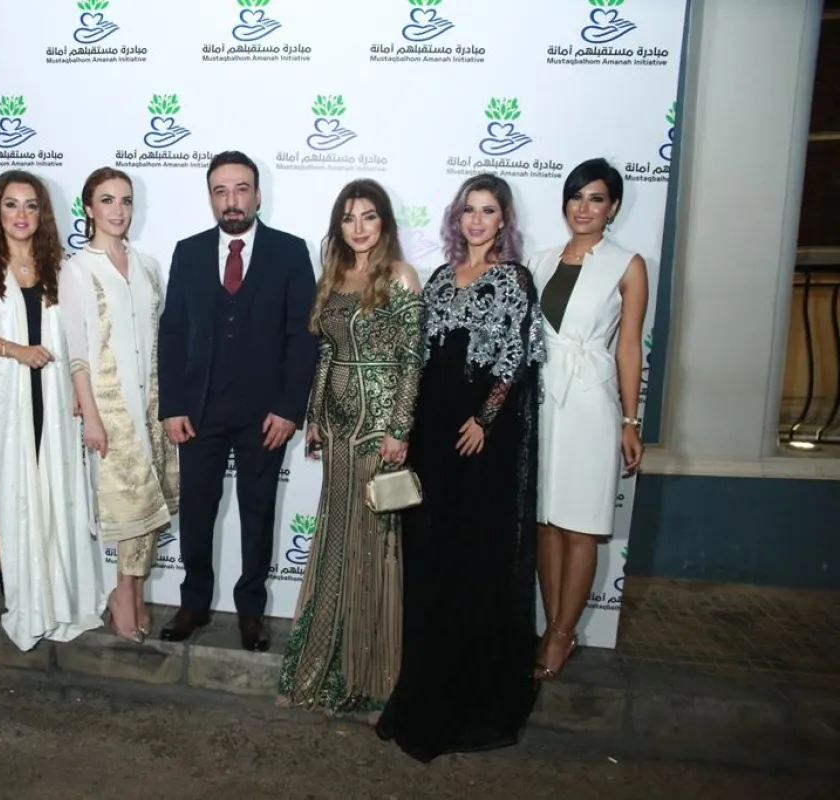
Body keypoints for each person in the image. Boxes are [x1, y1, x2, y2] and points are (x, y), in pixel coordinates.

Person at [376, 173, 545, 760]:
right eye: (469, 209)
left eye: (488, 210)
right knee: (431, 557)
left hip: (477, 441)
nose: (476, 220)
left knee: (472, 557)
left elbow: (516, 358)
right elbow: (420, 357)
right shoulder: (442, 277)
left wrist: (485, 420)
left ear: (504, 220)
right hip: (432, 434)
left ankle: (471, 695)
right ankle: (424, 684)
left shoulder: (513, 279)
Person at [157, 151, 318, 651]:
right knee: (197, 512)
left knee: (258, 513)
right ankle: (194, 603)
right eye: (221, 191)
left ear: (258, 195)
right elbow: (173, 331)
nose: (232, 200)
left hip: (265, 416)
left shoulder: (290, 251)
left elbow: (303, 336)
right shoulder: (188, 252)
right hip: (198, 413)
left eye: (241, 189)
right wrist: (172, 405)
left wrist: (289, 408)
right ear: (210, 197)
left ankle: (251, 610)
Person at [276, 179, 423, 720]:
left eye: (368, 217)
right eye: (348, 218)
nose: (358, 228)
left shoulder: (400, 276)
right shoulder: (334, 276)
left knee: (371, 540)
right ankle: (325, 653)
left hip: (378, 427)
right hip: (337, 428)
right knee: (335, 532)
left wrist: (399, 428)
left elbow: (412, 359)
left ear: (384, 222)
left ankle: (370, 668)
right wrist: (315, 415)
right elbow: (325, 354)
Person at [0, 169, 104, 651]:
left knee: (58, 492)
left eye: (31, 205)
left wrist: (80, 388)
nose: (22, 214)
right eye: (11, 204)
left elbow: (79, 335)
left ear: (43, 213)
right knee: (18, 494)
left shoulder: (59, 266)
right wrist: (17, 351)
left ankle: (62, 601)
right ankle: (29, 604)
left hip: (55, 397)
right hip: (8, 400)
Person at [529, 158, 648, 680]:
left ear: (613, 207)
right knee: (544, 523)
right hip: (540, 400)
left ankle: (563, 633)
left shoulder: (627, 265)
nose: (583, 208)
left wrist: (630, 421)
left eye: (595, 198)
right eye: (576, 197)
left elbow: (629, 347)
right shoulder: (538, 261)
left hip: (591, 404)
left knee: (579, 525)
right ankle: (551, 623)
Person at [60, 167, 179, 642]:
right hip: (110, 406)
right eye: (107, 200)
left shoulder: (148, 265)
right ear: (89, 208)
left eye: (126, 200)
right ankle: (123, 593)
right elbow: (77, 351)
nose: (118, 210)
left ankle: (135, 591)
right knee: (129, 504)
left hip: (153, 400)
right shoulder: (77, 269)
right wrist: (91, 414)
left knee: (152, 500)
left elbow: (161, 337)